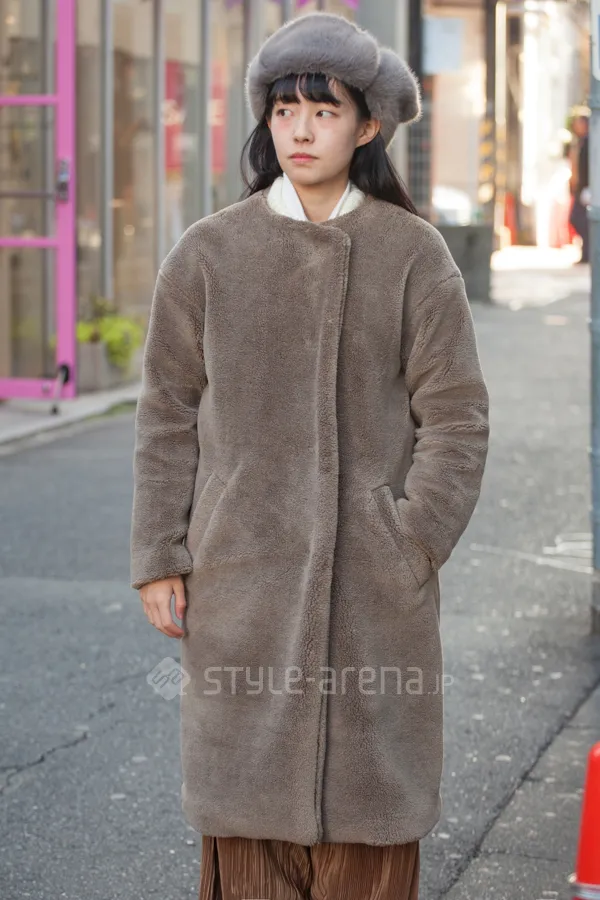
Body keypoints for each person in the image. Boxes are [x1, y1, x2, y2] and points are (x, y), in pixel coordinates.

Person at [130, 13, 490, 900]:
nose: (300, 129)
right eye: (285, 110)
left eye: (324, 112)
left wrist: (410, 540)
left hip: (374, 594)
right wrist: (161, 554)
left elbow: (456, 416)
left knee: (370, 837)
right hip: (240, 581)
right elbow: (167, 411)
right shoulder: (208, 253)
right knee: (246, 836)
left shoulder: (413, 254)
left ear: (367, 126)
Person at [569, 110, 590, 263]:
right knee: (578, 219)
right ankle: (586, 251)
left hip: (586, 188)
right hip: (580, 187)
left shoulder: (589, 142)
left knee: (580, 218)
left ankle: (588, 251)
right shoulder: (580, 141)